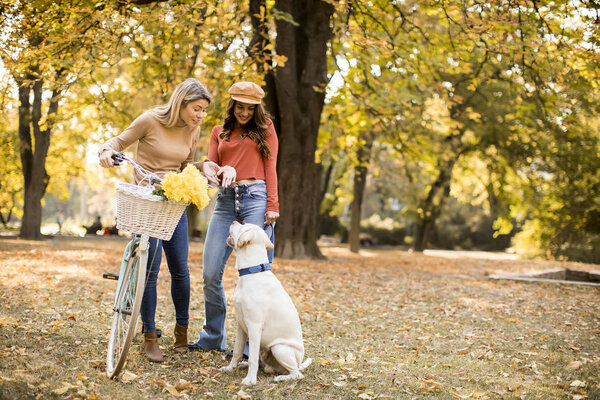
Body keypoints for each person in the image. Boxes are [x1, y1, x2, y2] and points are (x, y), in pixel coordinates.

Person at [98, 78, 215, 363]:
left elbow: (186, 166)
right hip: (147, 201)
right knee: (150, 271)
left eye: (203, 111)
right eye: (196, 109)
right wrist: (106, 152)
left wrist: (204, 166)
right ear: (182, 101)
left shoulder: (193, 129)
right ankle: (150, 335)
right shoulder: (150, 120)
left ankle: (182, 331)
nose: (199, 116)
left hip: (174, 204)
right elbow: (117, 141)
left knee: (180, 269)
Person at [188, 81, 279, 354]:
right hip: (226, 201)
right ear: (233, 105)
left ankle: (252, 346)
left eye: (250, 108)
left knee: (256, 274)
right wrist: (219, 170)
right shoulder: (219, 132)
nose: (244, 112)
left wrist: (272, 204)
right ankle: (214, 336)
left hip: (256, 199)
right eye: (240, 106)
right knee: (210, 272)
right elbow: (212, 170)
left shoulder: (266, 130)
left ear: (256, 108)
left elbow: (271, 166)